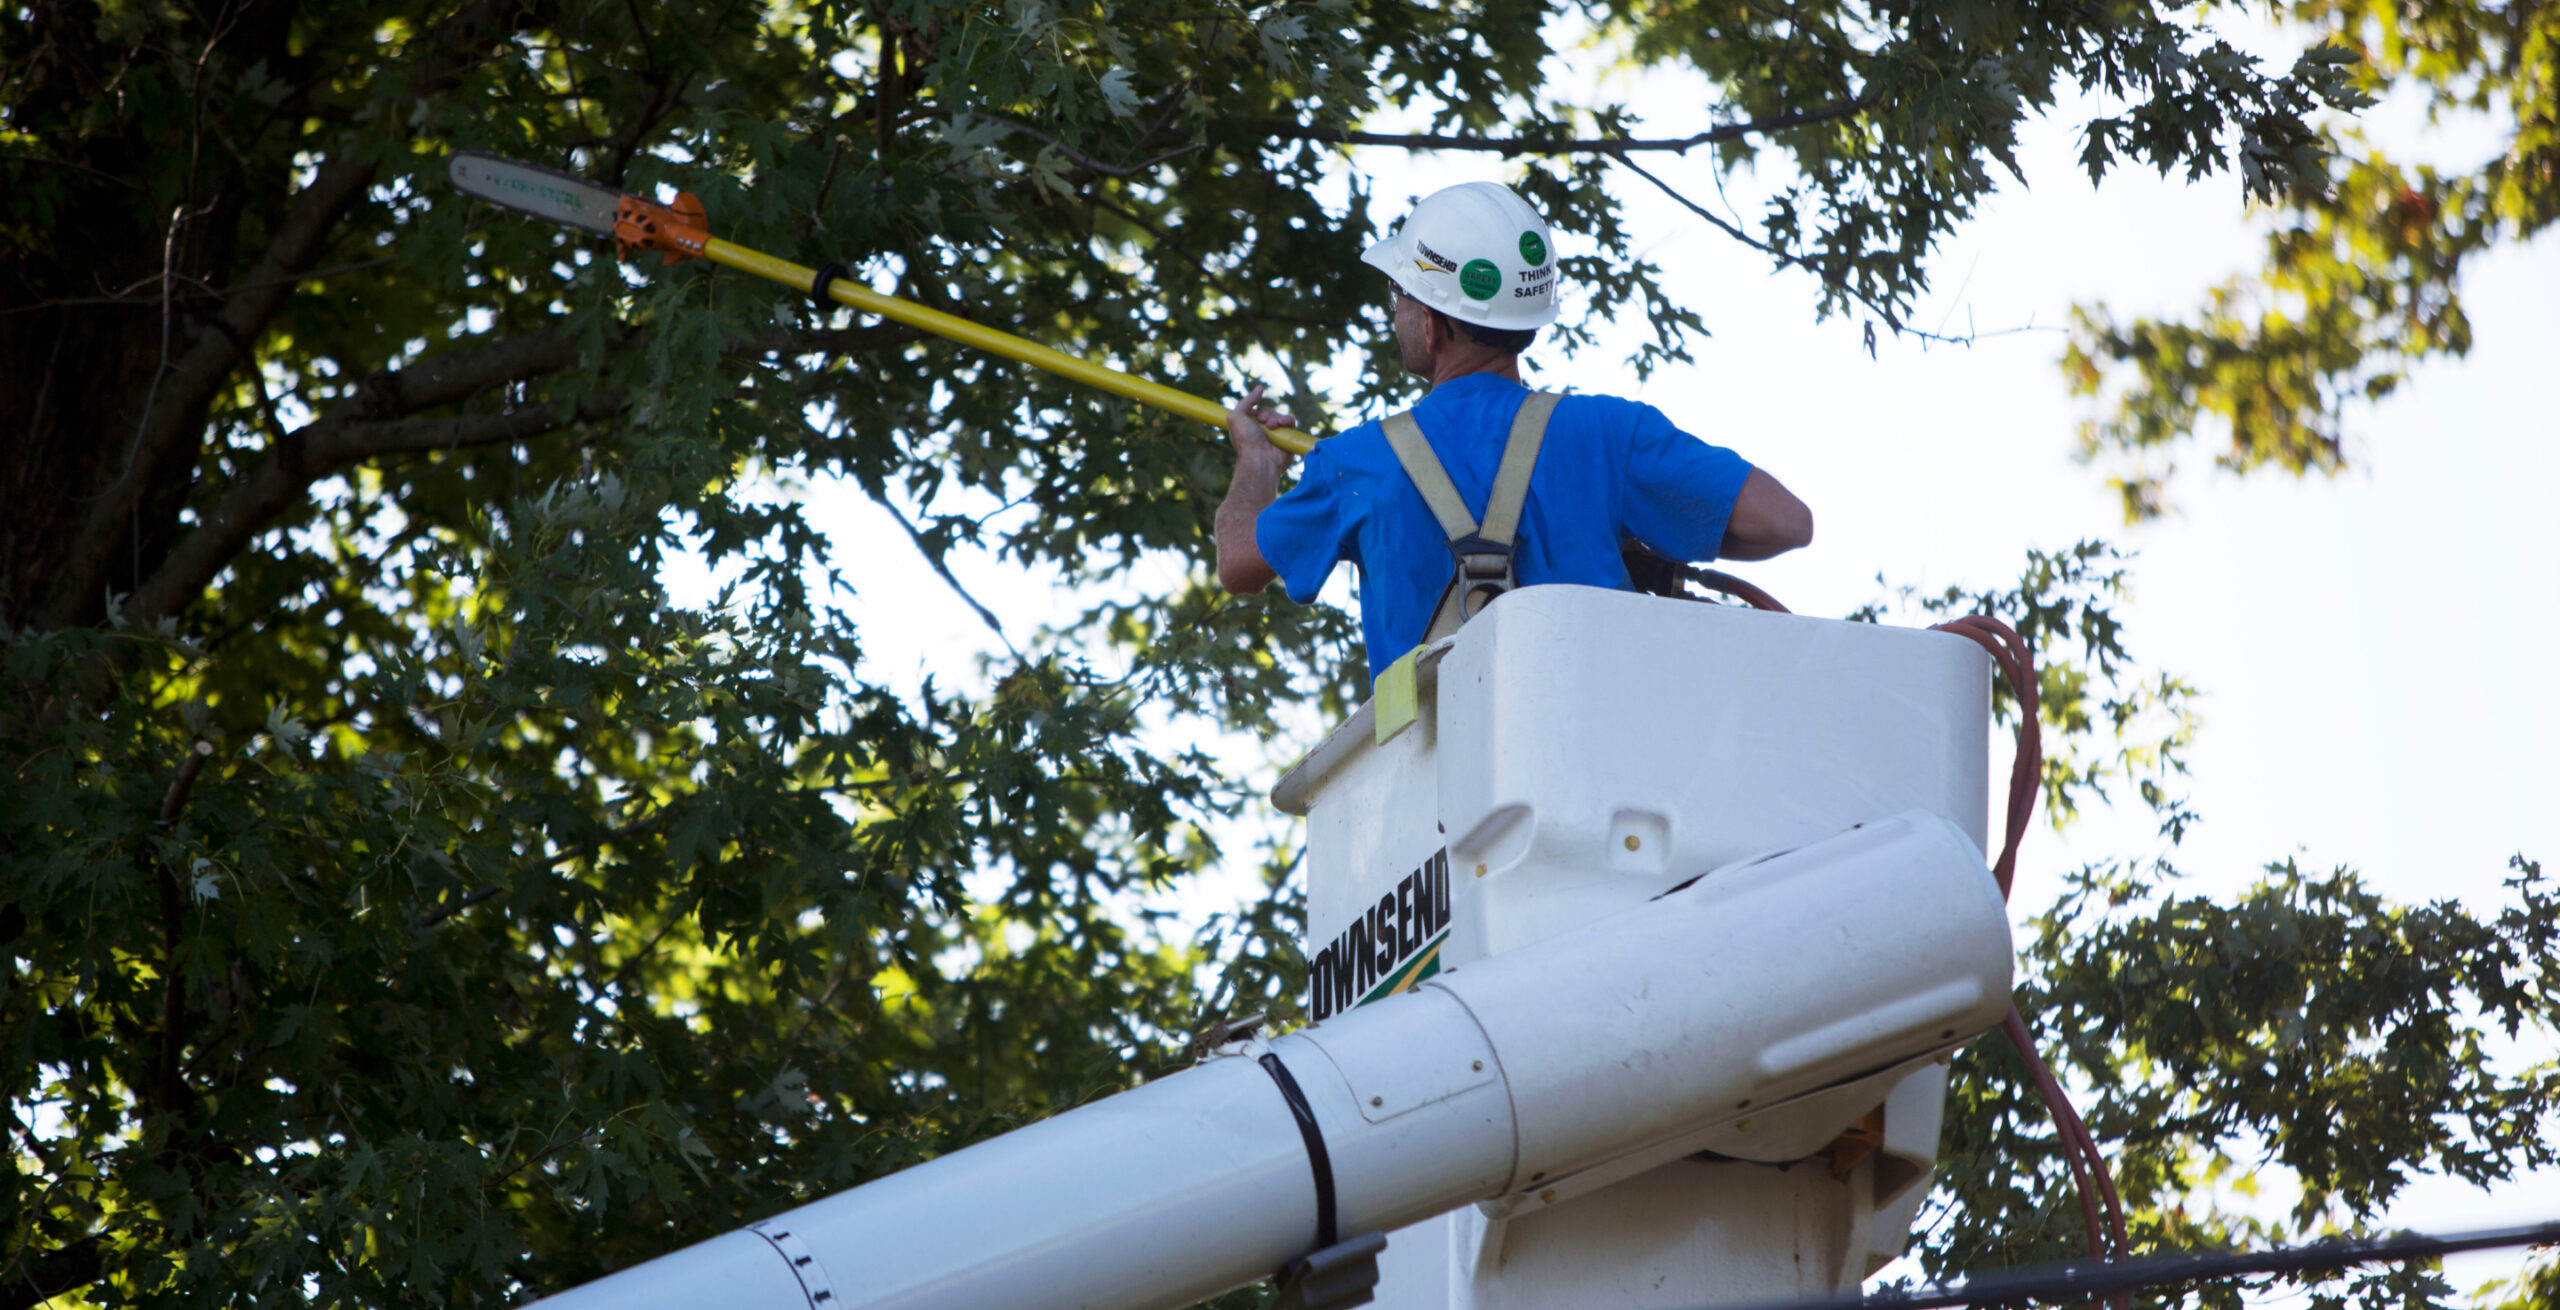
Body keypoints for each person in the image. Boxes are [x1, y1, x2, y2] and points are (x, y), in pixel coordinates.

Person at [1214, 181, 1815, 686]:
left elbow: (1238, 565)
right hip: (1605, 758)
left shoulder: (1354, 465)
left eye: (1397, 295)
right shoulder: (1607, 434)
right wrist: (1650, 539)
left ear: (1430, 321)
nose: (1394, 312)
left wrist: (1256, 467)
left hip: (1430, 793)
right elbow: (1784, 522)